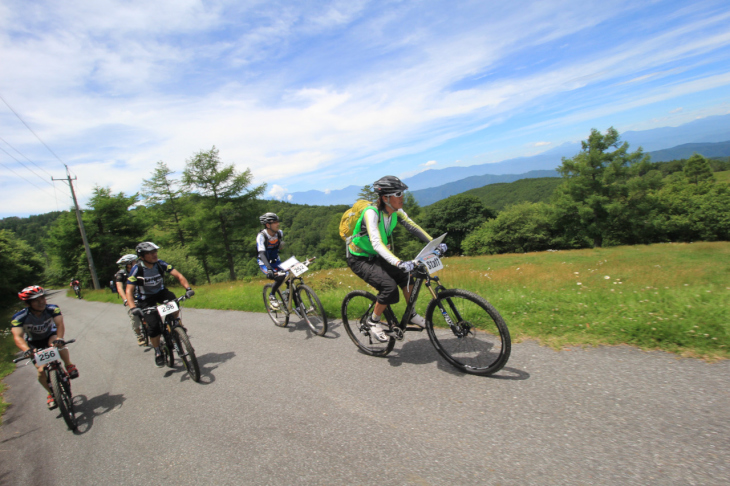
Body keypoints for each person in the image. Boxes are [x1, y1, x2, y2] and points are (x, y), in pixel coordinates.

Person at [346, 175, 447, 342]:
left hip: (378, 255)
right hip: (360, 258)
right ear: (385, 197)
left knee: (407, 277)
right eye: (398, 193)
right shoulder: (371, 213)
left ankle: (411, 314)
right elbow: (377, 243)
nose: (402, 197)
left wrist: (434, 244)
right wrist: (399, 262)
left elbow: (413, 227)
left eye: (402, 193)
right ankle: (373, 321)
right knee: (389, 287)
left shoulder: (396, 212)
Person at [126, 242, 194, 367]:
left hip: (161, 293)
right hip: (146, 298)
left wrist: (188, 288)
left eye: (155, 252)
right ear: (142, 256)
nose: (154, 255)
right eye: (150, 253)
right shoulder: (137, 269)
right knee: (153, 327)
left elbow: (178, 275)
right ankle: (158, 351)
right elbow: (129, 290)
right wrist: (133, 307)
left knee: (174, 302)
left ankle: (175, 323)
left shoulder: (160, 264)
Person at [11, 286, 79, 409]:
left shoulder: (52, 308)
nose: (41, 302)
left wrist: (60, 338)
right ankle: (51, 393)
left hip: (50, 336)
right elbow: (18, 337)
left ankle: (68, 365)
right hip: (34, 343)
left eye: (42, 298)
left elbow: (59, 324)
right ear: (28, 303)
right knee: (41, 370)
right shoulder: (19, 317)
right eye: (36, 300)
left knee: (57, 344)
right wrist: (27, 350)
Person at [257, 212, 286, 309]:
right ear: (267, 225)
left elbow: (279, 247)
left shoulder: (279, 233)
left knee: (290, 279)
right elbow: (262, 253)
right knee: (279, 278)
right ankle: (272, 295)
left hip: (276, 261)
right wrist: (269, 269)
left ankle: (299, 307)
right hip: (265, 263)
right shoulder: (261, 236)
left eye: (278, 221)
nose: (277, 224)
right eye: (275, 222)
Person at [115, 253, 145, 346]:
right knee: (134, 317)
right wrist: (125, 300)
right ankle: (139, 335)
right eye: (134, 262)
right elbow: (119, 288)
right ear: (128, 264)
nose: (136, 262)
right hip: (130, 298)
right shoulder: (121, 274)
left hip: (141, 295)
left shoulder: (140, 270)